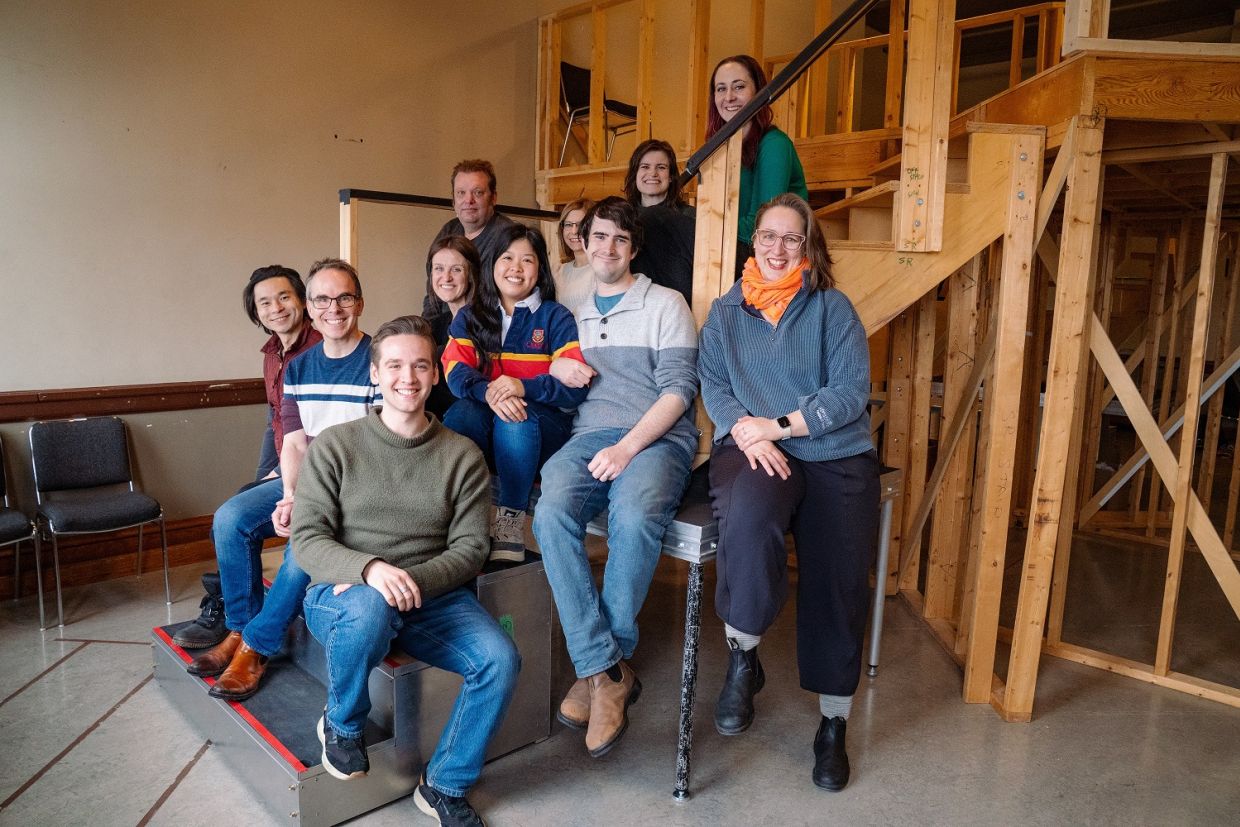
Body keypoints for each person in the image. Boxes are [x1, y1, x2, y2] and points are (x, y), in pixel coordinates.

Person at [295, 315, 518, 827]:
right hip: (345, 593)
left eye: (420, 365)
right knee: (371, 604)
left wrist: (411, 582)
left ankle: (444, 785)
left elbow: (470, 549)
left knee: (500, 659)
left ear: (436, 374)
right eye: (394, 365)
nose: (408, 378)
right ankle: (342, 725)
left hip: (432, 597)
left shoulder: (461, 454)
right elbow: (307, 539)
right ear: (374, 373)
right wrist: (370, 570)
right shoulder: (337, 445)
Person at [697, 193, 878, 792]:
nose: (778, 249)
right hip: (754, 447)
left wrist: (778, 426)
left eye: (791, 239)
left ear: (808, 246)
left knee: (838, 576)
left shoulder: (831, 307)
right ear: (754, 242)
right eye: (768, 237)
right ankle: (744, 655)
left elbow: (851, 393)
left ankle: (832, 725)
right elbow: (717, 388)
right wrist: (749, 439)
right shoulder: (725, 314)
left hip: (831, 449)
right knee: (748, 517)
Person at [531, 196, 698, 758]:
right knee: (550, 509)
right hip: (588, 436)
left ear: (634, 248)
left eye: (620, 240)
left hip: (656, 437)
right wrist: (550, 364)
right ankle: (606, 669)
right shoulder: (568, 300)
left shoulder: (665, 303)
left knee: (633, 513)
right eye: (598, 236)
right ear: (584, 239)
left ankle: (604, 669)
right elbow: (538, 356)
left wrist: (629, 447)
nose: (607, 248)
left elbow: (679, 390)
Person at [187, 258, 382, 702]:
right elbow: (292, 443)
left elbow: (376, 451)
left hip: (357, 490)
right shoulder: (297, 367)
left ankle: (257, 646)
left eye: (344, 297)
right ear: (311, 308)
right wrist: (291, 494)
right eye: (323, 300)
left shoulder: (376, 360)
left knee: (301, 546)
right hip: (308, 481)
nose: (334, 308)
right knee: (231, 517)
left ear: (360, 303)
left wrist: (310, 500)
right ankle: (238, 629)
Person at [174, 265, 323, 651]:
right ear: (255, 312)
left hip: (319, 471)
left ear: (303, 301)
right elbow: (275, 420)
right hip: (284, 462)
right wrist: (266, 474)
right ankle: (238, 624)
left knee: (246, 521)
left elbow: (320, 429)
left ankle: (249, 629)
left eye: (284, 297)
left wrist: (285, 481)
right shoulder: (274, 353)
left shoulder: (321, 348)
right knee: (231, 516)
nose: (275, 308)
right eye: (264, 302)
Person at [442, 225, 589, 563]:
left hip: (543, 430)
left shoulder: (555, 317)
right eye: (507, 258)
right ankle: (459, 514)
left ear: (540, 269)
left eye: (528, 260)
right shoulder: (470, 316)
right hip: (488, 421)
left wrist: (522, 387)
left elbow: (573, 388)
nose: (516, 268)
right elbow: (455, 371)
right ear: (492, 264)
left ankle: (509, 523)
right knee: (460, 415)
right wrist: (491, 390)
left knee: (515, 420)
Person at [705, 55, 808, 263]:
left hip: (769, 252)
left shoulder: (774, 144)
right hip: (732, 244)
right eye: (721, 89)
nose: (729, 97)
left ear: (758, 92)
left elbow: (761, 227)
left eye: (739, 87)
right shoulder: (721, 149)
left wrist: (704, 224)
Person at [423, 159, 517, 338]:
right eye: (461, 193)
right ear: (453, 200)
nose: (468, 200)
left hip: (486, 332)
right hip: (446, 327)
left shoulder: (507, 237)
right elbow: (432, 292)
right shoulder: (449, 230)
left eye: (478, 192)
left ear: (493, 197)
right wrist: (425, 334)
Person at [623, 139, 696, 306]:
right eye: (645, 167)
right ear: (635, 175)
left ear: (670, 177)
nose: (653, 173)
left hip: (681, 307)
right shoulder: (623, 218)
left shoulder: (690, 217)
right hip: (635, 308)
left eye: (661, 168)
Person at [424, 236, 481, 420]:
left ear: (471, 274)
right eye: (439, 269)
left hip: (473, 418)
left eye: (456, 269)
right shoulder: (434, 326)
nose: (446, 277)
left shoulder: (488, 322)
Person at [553, 198, 594, 316]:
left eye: (581, 225)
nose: (574, 231)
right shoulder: (557, 271)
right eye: (568, 225)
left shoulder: (602, 270)